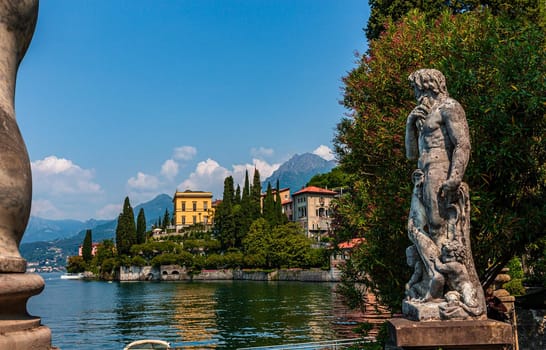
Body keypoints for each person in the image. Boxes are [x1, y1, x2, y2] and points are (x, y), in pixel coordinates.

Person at [405, 69, 471, 246]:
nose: (414, 93)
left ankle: (443, 270)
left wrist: (455, 177)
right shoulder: (422, 114)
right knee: (414, 227)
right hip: (421, 174)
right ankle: (431, 270)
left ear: (426, 86)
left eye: (415, 88)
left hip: (439, 170)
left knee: (437, 225)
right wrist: (410, 124)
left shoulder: (449, 107)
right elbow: (411, 155)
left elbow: (462, 144)